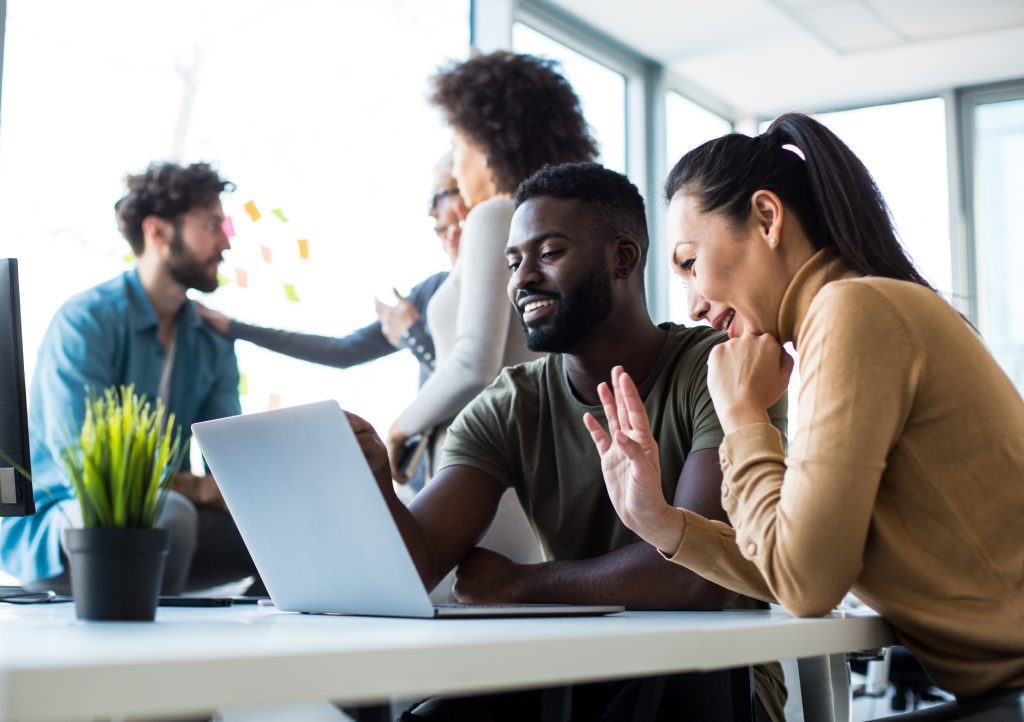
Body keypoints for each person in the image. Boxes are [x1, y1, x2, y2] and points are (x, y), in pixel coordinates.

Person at [592, 114, 1024, 720]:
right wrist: (661, 522)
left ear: (767, 219)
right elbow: (798, 553)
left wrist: (743, 415)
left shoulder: (851, 311)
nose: (693, 304)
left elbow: (805, 583)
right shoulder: (850, 311)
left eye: (691, 262)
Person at [352, 163, 789, 721]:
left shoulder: (723, 370)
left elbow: (693, 578)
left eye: (549, 253)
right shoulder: (509, 405)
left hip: (712, 679)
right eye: (513, 262)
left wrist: (519, 584)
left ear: (623, 259)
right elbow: (417, 565)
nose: (522, 279)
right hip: (574, 676)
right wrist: (373, 489)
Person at [0, 161, 262, 596]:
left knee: (287, 529)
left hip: (172, 522)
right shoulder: (86, 321)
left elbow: (231, 471)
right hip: (63, 521)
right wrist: (198, 488)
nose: (225, 242)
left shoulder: (212, 341)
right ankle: (149, 649)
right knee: (169, 514)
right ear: (158, 232)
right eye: (212, 225)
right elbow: (91, 467)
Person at [383, 51, 599, 484]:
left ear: (485, 147)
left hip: (478, 461)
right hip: (520, 458)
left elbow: (473, 364)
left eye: (458, 145)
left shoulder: (496, 215)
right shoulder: (556, 229)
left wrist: (398, 427)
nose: (457, 165)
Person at [195, 155, 468, 490]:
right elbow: (342, 351)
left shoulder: (506, 285)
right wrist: (235, 327)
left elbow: (471, 383)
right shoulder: (430, 291)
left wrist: (411, 335)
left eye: (439, 196)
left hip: (469, 470)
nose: (431, 211)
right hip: (427, 477)